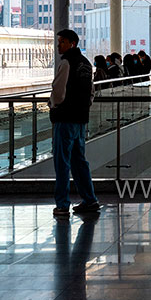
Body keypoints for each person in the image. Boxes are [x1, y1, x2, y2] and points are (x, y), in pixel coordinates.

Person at [50, 29, 100, 217]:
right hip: (81, 119)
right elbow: (91, 92)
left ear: (72, 43)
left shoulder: (66, 62)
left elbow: (59, 91)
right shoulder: (86, 63)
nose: (58, 45)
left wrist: (53, 106)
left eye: (62, 42)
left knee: (62, 162)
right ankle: (90, 199)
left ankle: (62, 204)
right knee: (79, 161)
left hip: (65, 119)